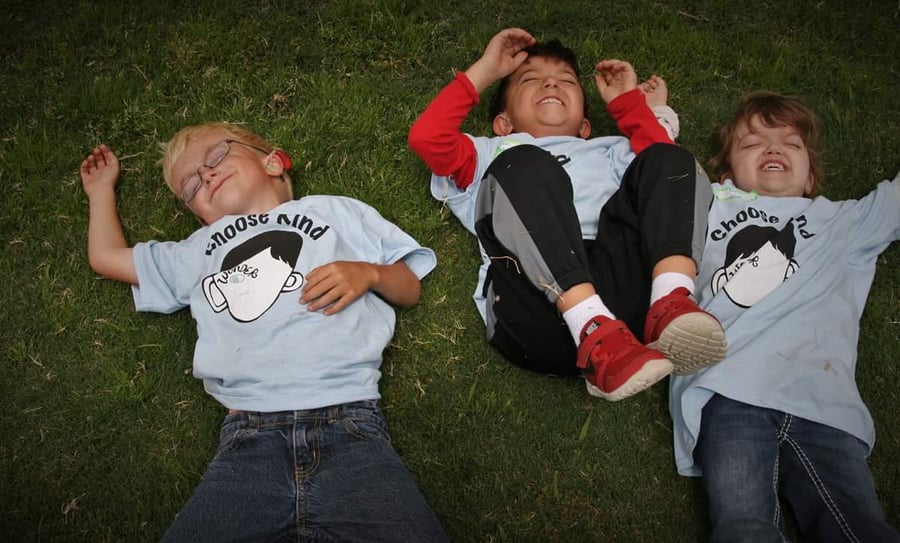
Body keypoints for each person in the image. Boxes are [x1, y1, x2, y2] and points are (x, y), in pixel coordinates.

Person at [79, 122, 449, 542]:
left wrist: (368, 273)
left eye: (216, 156)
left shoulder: (333, 212)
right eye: (191, 185)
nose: (207, 175)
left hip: (352, 429)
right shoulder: (200, 249)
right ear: (201, 215)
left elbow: (410, 286)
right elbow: (107, 257)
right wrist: (100, 192)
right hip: (249, 444)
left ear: (272, 161)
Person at [408, 27, 726, 401]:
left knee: (670, 158)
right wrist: (487, 70)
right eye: (532, 80)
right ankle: (590, 327)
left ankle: (671, 301)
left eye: (565, 81)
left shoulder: (610, 150)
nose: (551, 86)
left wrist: (628, 104)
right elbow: (427, 138)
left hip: (626, 309)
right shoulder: (492, 153)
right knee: (523, 163)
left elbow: (669, 175)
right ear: (503, 123)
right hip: (536, 314)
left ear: (585, 128)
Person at [668, 91, 900, 542]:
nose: (772, 148)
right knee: (743, 526)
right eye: (753, 142)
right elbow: (660, 175)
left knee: (861, 530)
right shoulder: (710, 203)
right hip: (727, 391)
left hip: (823, 402)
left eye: (790, 144)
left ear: (810, 177)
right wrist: (655, 112)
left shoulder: (844, 221)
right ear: (728, 171)